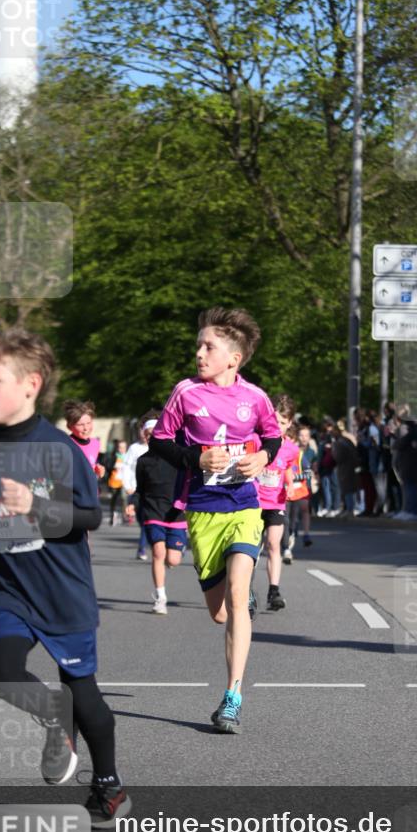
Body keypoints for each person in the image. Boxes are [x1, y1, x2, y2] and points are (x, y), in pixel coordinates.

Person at [0, 328, 130, 827]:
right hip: (11, 587)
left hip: (62, 592)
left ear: (31, 384)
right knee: (1, 671)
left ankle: (108, 785)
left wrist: (35, 504)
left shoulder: (59, 448)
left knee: (86, 696)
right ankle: (55, 714)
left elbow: (89, 517)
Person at [150, 307, 281, 734]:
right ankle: (240, 601)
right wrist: (196, 458)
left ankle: (232, 698)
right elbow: (160, 441)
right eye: (199, 346)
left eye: (209, 347)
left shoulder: (255, 397)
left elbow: (274, 436)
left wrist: (262, 458)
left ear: (233, 359)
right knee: (221, 613)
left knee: (239, 596)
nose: (199, 353)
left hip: (244, 506)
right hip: (203, 510)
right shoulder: (185, 392)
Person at [125, 412, 187, 614]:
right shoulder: (143, 461)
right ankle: (161, 598)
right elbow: (140, 489)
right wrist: (132, 503)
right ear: (144, 436)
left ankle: (175, 553)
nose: (151, 437)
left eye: (155, 433)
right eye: (148, 434)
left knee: (173, 560)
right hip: (153, 512)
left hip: (176, 513)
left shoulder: (178, 458)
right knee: (158, 553)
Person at [255, 394, 297, 611]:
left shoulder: (291, 448)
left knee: (273, 543)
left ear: (289, 423)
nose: (277, 426)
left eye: (282, 422)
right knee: (252, 549)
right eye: (274, 421)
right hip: (254, 501)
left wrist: (290, 484)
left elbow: (287, 467)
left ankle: (274, 591)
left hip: (276, 502)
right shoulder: (257, 441)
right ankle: (245, 591)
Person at [122, 415, 155, 557]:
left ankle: (142, 548)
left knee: (148, 520)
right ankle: (150, 542)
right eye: (142, 431)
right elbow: (126, 467)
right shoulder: (134, 448)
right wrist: (127, 486)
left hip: (151, 492)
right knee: (142, 521)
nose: (143, 434)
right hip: (135, 490)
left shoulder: (160, 449)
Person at [63, 400, 105, 480]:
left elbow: (93, 464)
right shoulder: (66, 445)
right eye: (80, 425)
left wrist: (98, 470)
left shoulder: (95, 443)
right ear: (69, 426)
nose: (86, 428)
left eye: (89, 423)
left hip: (91, 487)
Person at [106, 439, 128, 525]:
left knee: (124, 497)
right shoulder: (113, 456)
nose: (121, 449)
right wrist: (114, 466)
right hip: (114, 481)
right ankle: (113, 514)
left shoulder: (128, 457)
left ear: (126, 448)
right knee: (114, 499)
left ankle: (124, 515)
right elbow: (108, 466)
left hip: (124, 481)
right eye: (120, 447)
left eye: (123, 447)